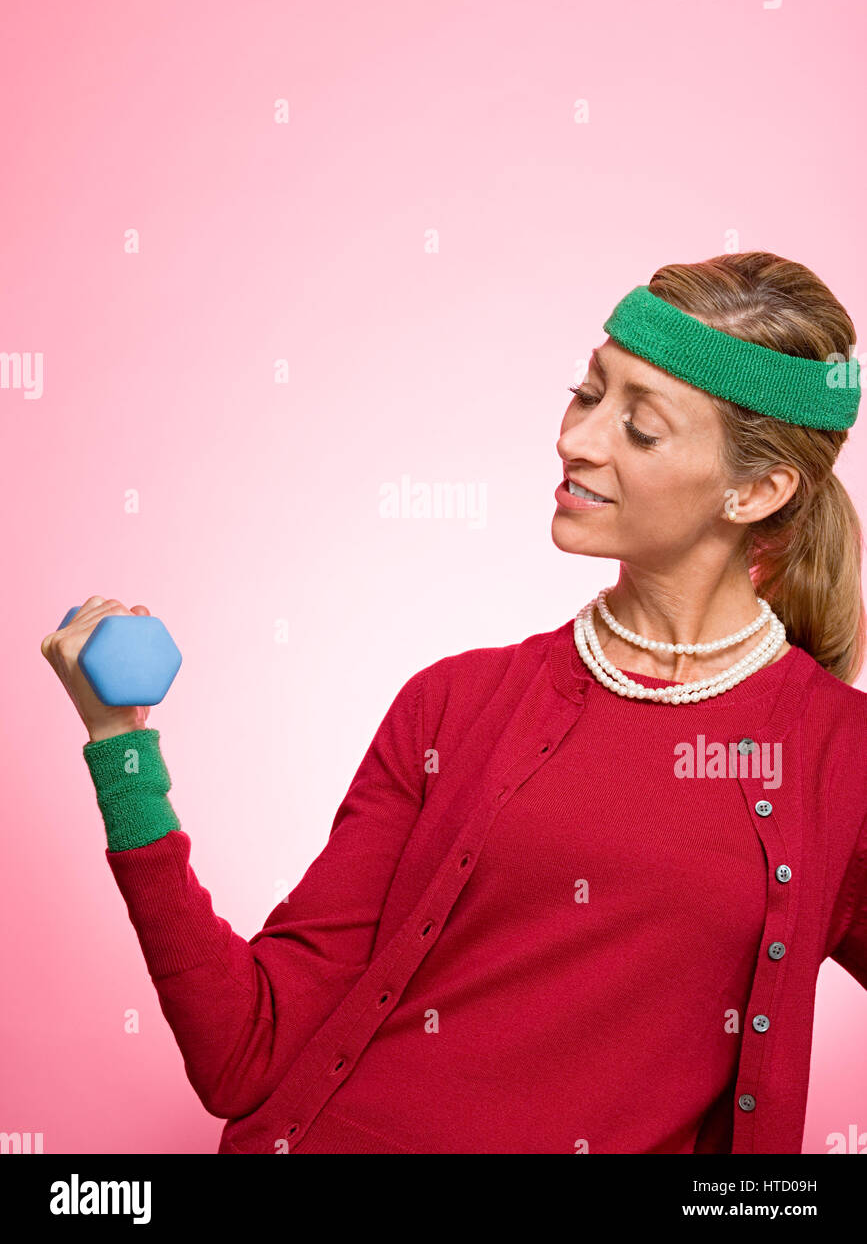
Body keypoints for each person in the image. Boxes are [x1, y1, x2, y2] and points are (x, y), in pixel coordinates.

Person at [42, 251, 867, 1155]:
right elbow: (247, 1049)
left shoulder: (837, 762)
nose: (577, 439)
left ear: (755, 490)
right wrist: (121, 749)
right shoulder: (455, 705)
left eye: (639, 427)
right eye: (586, 393)